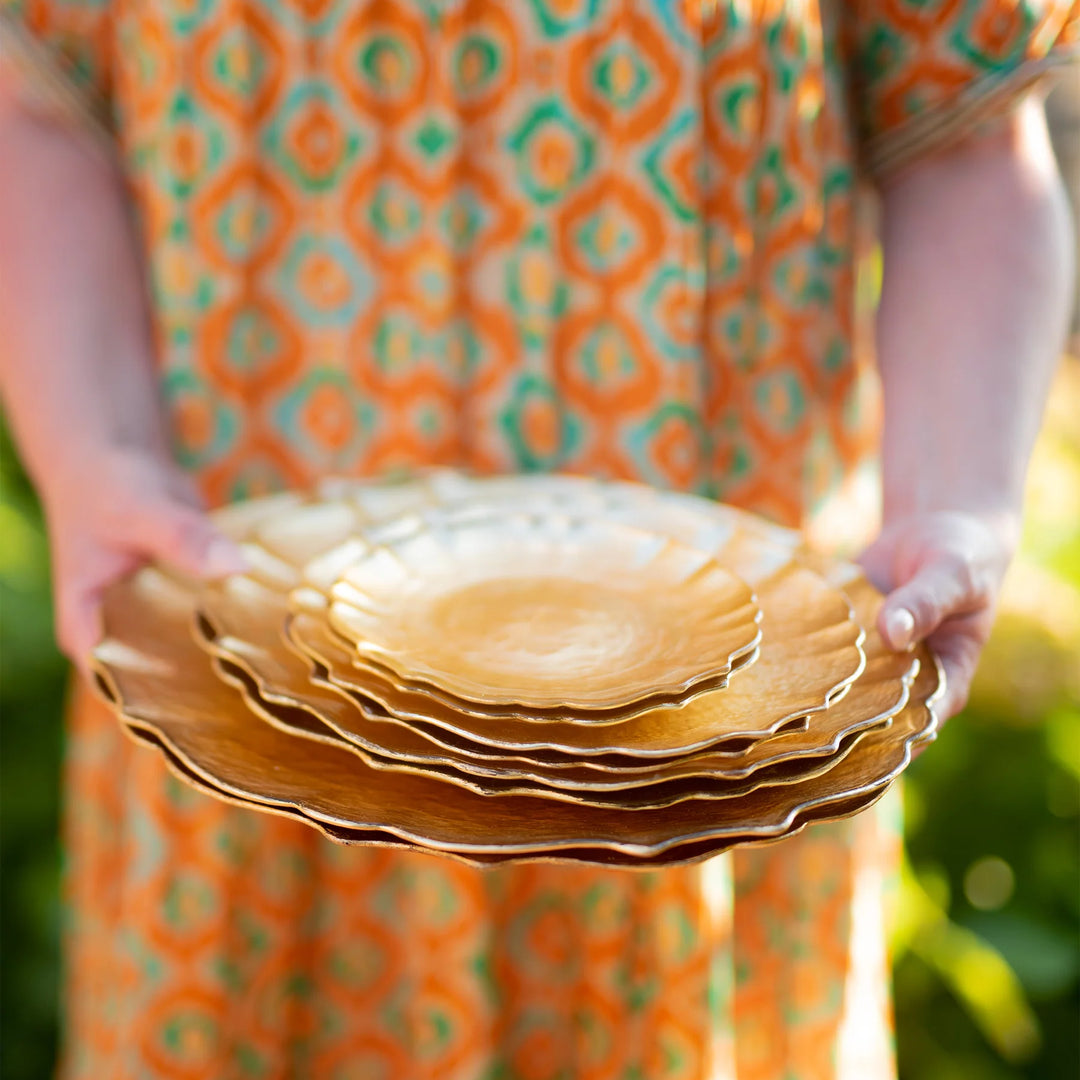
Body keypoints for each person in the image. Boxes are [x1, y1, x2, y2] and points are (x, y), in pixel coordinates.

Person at [0, 1, 1075, 1076]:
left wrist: (954, 497)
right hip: (241, 699)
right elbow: (40, 99)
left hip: (715, 749)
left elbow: (963, 132)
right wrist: (96, 456)